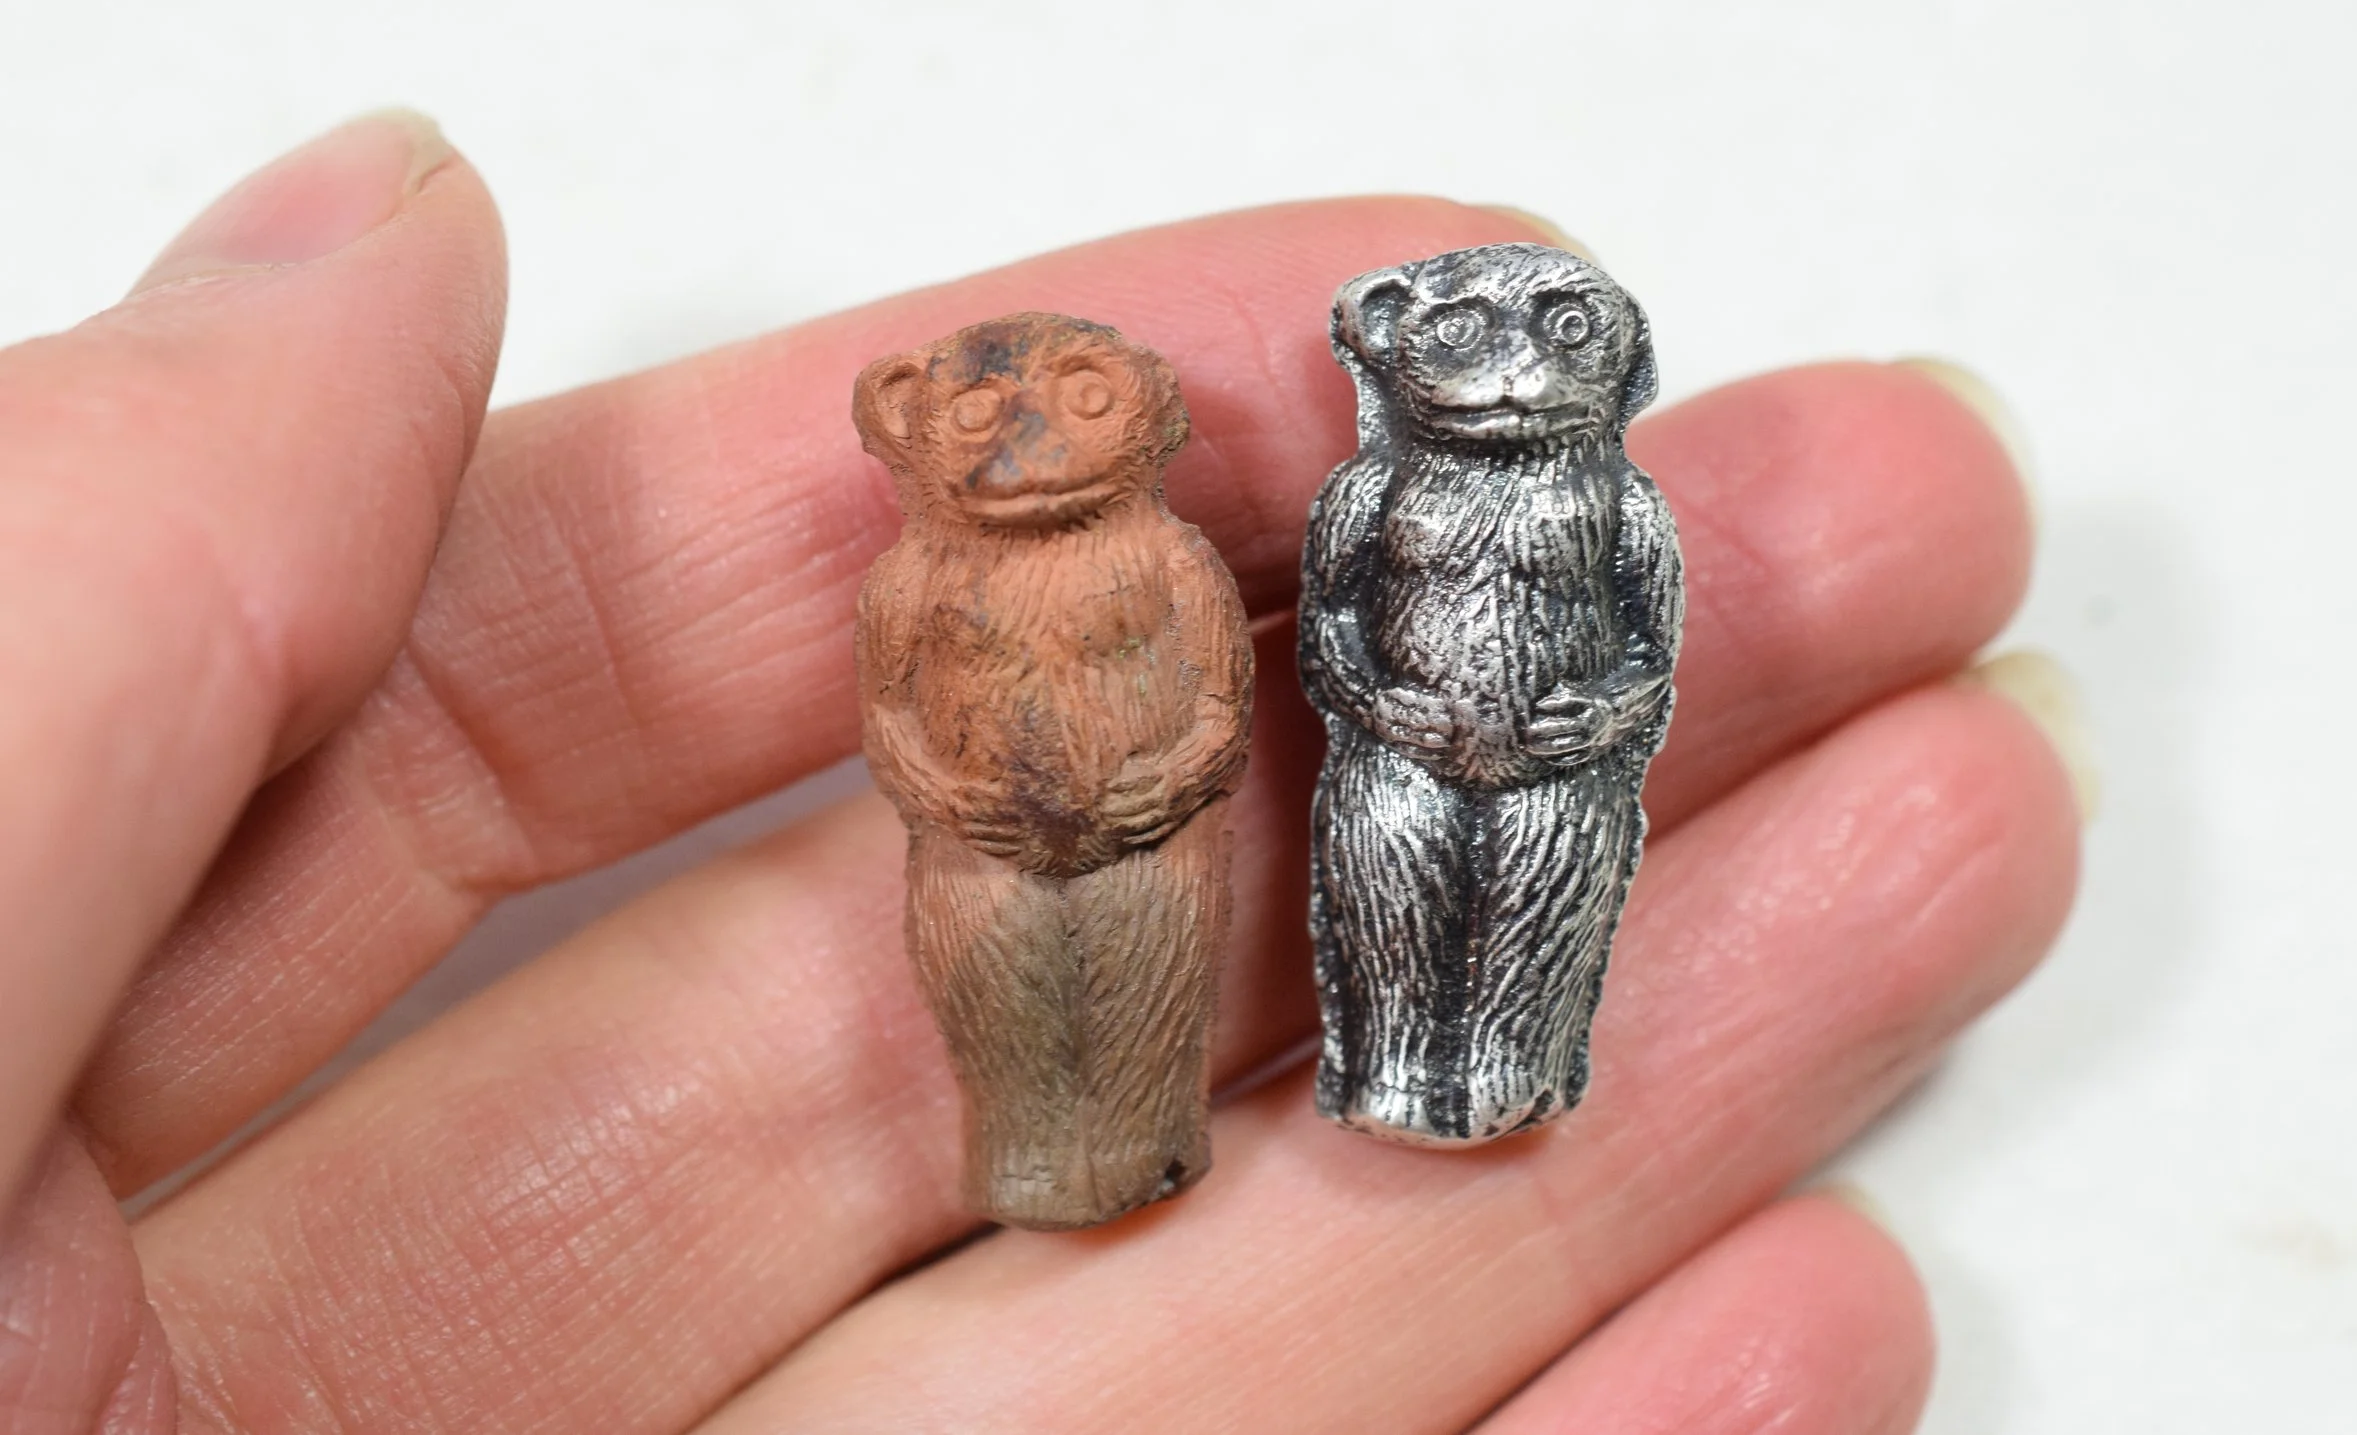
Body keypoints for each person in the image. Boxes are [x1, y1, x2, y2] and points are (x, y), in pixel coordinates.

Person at [0, 112, 2088, 1433]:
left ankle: (1455, 1074)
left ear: (1158, 418)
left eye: (1071, 394)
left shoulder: (1301, 537)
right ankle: (1073, 1151)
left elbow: (1262, 670)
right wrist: (991, 786)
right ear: (903, 430)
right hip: (1013, 850)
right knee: (1081, 982)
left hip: (1409, 796)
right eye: (975, 416)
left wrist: (1235, 756)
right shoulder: (952, 574)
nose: (1019, 441)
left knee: (1410, 938)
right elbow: (938, 708)